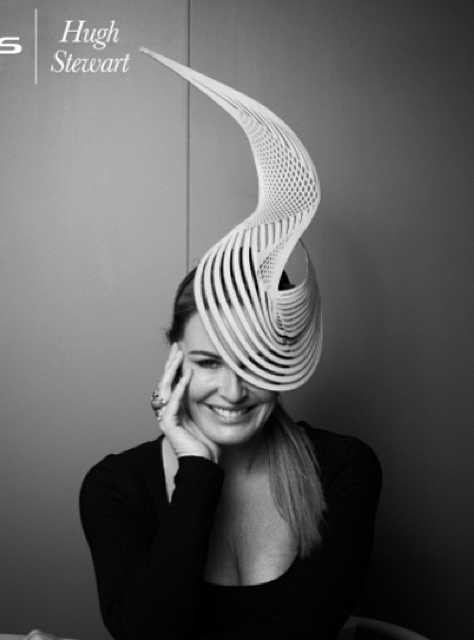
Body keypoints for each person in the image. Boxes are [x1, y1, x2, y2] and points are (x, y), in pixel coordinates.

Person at [79, 50, 382, 640]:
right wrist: (196, 472)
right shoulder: (116, 488)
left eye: (253, 361)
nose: (234, 390)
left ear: (286, 356)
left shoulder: (345, 470)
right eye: (208, 361)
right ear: (175, 360)